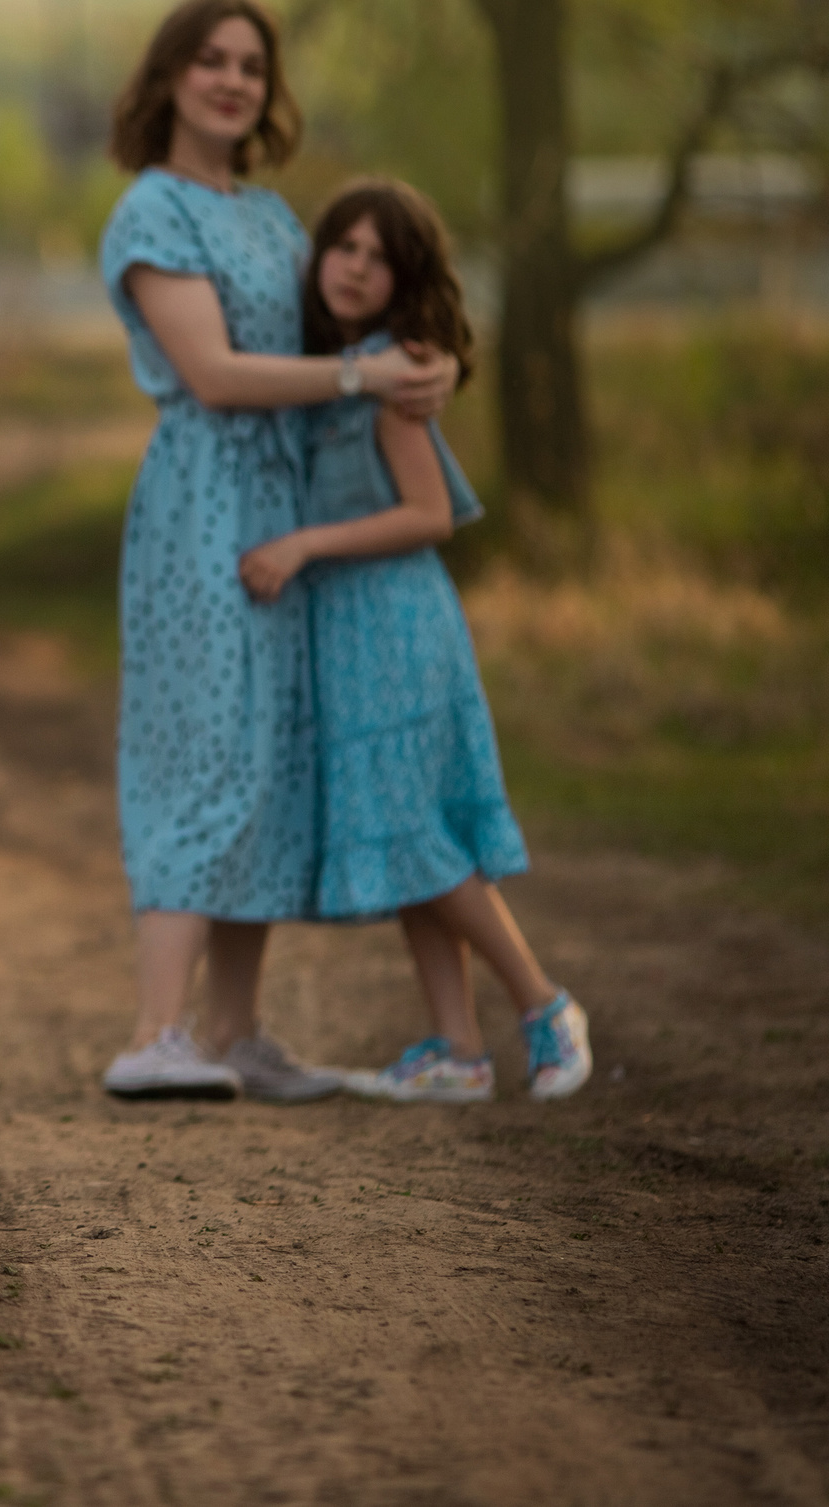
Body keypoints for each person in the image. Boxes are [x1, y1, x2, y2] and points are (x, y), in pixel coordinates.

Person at [92, 0, 458, 1103]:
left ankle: (233, 1033)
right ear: (167, 78)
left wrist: (422, 367)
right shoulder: (152, 213)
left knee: (267, 756)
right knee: (198, 748)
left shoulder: (274, 220)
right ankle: (154, 1035)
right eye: (209, 60)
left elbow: (338, 340)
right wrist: (361, 374)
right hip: (203, 499)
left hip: (285, 503)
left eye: (251, 64)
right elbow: (213, 374)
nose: (233, 80)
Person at [236, 178, 593, 1103]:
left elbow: (430, 513)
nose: (355, 267)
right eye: (343, 248)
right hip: (344, 628)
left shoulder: (397, 371)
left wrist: (305, 541)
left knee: (414, 832)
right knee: (407, 837)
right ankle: (457, 1048)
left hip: (395, 620)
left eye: (378, 256)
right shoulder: (343, 364)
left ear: (406, 278)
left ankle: (546, 1005)